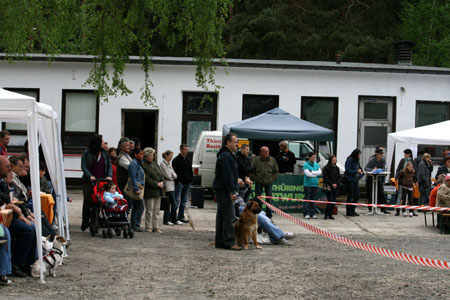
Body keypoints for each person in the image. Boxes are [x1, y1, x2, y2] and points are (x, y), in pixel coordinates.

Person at [0, 156, 37, 277]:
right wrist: (13, 207)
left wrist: (22, 213)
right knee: (27, 230)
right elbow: (5, 200)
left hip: (10, 215)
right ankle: (17, 264)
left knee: (33, 227)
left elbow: (8, 200)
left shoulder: (4, 182)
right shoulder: (5, 182)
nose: (10, 169)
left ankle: (28, 262)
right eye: (7, 167)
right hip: (4, 218)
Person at [235, 178, 295, 246]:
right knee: (260, 216)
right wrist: (237, 185)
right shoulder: (229, 183)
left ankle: (277, 235)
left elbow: (244, 196)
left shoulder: (237, 181)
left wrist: (246, 186)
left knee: (263, 214)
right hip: (237, 208)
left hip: (244, 205)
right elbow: (234, 198)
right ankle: (280, 236)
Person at [213, 133, 240, 250]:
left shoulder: (226, 155)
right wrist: (232, 191)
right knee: (229, 216)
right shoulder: (226, 156)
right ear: (228, 143)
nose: (237, 144)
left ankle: (219, 242)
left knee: (221, 216)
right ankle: (229, 242)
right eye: (235, 142)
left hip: (221, 189)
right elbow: (227, 175)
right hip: (224, 190)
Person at [80, 134, 112, 232]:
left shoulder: (105, 154)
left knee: (98, 202)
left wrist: (109, 176)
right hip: (88, 181)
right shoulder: (87, 153)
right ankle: (85, 221)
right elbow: (83, 166)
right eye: (102, 141)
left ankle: (94, 223)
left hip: (101, 181)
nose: (103, 143)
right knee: (88, 201)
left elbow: (109, 166)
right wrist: (90, 175)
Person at [142, 147, 164, 233]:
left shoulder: (155, 164)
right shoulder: (144, 165)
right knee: (149, 209)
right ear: (146, 156)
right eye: (151, 155)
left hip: (158, 191)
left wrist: (162, 182)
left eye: (153, 155)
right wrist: (156, 184)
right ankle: (148, 226)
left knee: (157, 210)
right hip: (150, 190)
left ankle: (156, 226)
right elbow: (146, 178)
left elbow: (161, 174)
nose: (152, 157)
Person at [253, 146, 278, 219]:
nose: (267, 153)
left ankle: (269, 216)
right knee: (257, 199)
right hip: (259, 182)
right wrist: (255, 179)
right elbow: (252, 170)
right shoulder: (256, 160)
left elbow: (276, 171)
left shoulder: (272, 160)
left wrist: (272, 179)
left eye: (268, 151)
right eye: (265, 151)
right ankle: (259, 215)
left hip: (268, 182)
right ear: (261, 152)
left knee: (269, 200)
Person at [160, 150, 181, 226]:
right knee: (169, 204)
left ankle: (173, 219)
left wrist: (172, 176)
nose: (171, 157)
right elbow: (168, 175)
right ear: (166, 156)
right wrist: (172, 176)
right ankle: (167, 219)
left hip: (172, 186)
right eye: (170, 156)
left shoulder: (169, 164)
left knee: (173, 204)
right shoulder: (163, 164)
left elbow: (175, 174)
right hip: (167, 187)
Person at [172, 144, 193, 223]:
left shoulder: (188, 160)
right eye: (185, 150)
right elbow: (174, 172)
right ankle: (174, 217)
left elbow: (190, 171)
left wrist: (191, 180)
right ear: (181, 150)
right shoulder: (176, 160)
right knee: (177, 200)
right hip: (180, 183)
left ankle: (181, 216)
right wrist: (178, 181)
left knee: (184, 201)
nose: (187, 151)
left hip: (187, 183)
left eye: (187, 149)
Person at [365, 148, 389, 214]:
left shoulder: (383, 160)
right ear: (377, 154)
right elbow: (366, 168)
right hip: (371, 179)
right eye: (380, 154)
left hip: (379, 179)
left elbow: (384, 168)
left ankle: (383, 209)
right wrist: (373, 169)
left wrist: (380, 169)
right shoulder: (372, 160)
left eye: (382, 154)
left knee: (381, 194)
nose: (381, 155)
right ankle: (370, 209)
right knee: (370, 194)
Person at [128, 148, 145, 232]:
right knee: (140, 206)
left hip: (140, 187)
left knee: (136, 206)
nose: (142, 155)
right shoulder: (133, 164)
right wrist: (135, 188)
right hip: (137, 187)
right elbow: (133, 177)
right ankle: (135, 224)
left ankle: (134, 224)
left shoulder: (139, 163)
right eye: (140, 154)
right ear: (135, 154)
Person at [345, 149, 364, 217]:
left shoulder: (357, 161)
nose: (359, 156)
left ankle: (353, 209)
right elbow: (347, 170)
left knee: (357, 195)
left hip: (355, 180)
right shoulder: (350, 160)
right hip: (350, 180)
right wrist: (356, 171)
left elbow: (360, 169)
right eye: (358, 154)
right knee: (350, 195)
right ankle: (348, 211)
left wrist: (361, 174)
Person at [302, 152, 322, 219]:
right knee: (307, 199)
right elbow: (307, 174)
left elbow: (320, 172)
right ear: (309, 157)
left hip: (315, 184)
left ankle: (313, 213)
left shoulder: (316, 164)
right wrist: (315, 174)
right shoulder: (306, 165)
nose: (314, 159)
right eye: (313, 157)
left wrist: (312, 172)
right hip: (308, 184)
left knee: (313, 199)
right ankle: (306, 213)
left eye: (314, 157)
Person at [116, 137, 133, 211]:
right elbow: (132, 168)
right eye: (127, 145)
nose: (129, 147)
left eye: (129, 145)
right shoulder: (122, 157)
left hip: (127, 184)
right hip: (124, 184)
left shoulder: (127, 155)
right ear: (121, 147)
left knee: (129, 205)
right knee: (126, 205)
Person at [322, 155, 340, 220]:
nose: (334, 161)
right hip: (329, 186)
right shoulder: (326, 168)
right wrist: (332, 184)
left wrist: (336, 183)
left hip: (336, 186)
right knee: (330, 200)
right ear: (330, 160)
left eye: (335, 160)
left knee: (333, 201)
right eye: (333, 160)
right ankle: (326, 214)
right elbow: (326, 178)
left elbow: (339, 177)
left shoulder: (337, 168)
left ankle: (330, 214)